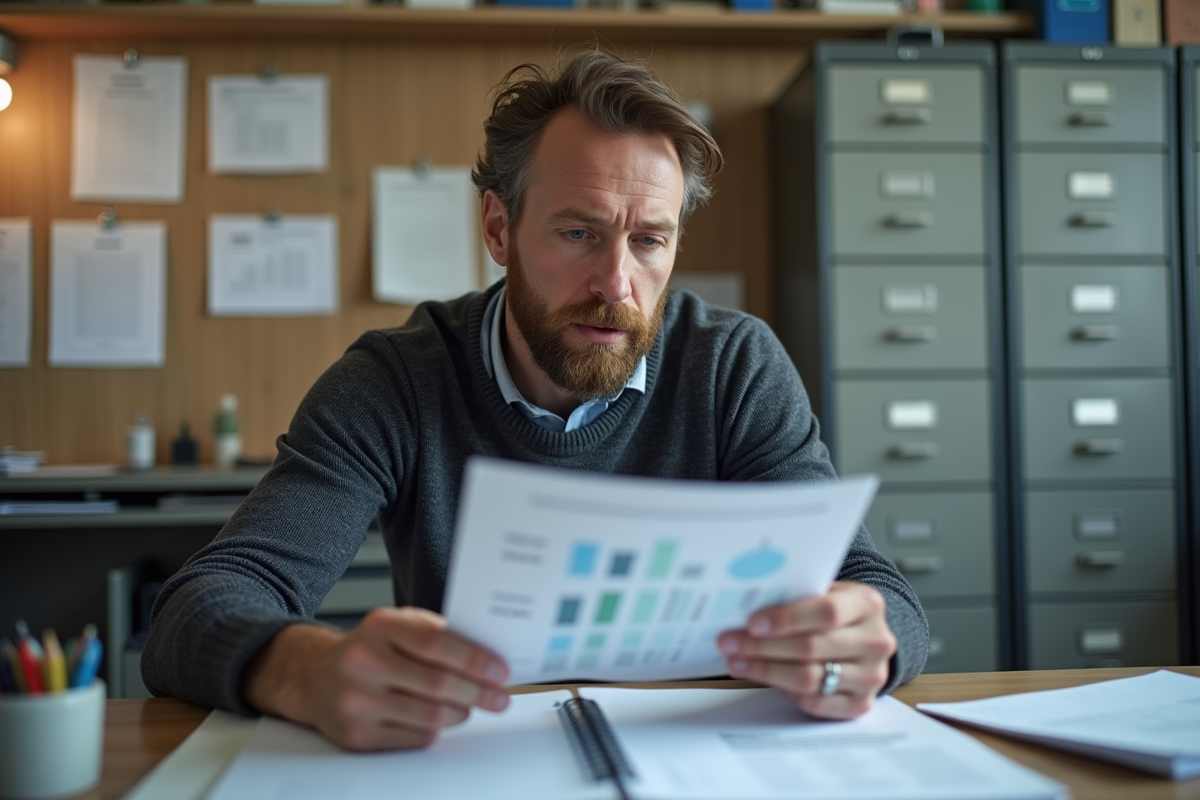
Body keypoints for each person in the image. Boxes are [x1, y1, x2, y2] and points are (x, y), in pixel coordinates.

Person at [143, 49, 928, 752]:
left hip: (700, 761)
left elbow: (882, 594)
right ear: (498, 227)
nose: (616, 285)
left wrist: (868, 640)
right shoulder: (394, 381)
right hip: (476, 762)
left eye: (648, 240)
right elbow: (200, 605)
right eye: (578, 233)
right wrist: (305, 670)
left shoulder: (733, 366)